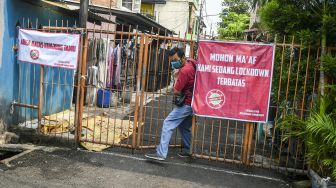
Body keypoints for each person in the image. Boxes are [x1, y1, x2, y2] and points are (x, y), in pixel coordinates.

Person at [145, 47, 196, 161]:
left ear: (182, 58)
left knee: (168, 124)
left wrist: (176, 77)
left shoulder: (184, 71)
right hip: (193, 102)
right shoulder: (191, 62)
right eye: (171, 60)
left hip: (186, 103)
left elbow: (176, 90)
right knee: (183, 126)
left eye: (175, 59)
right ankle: (189, 150)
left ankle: (161, 154)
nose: (173, 62)